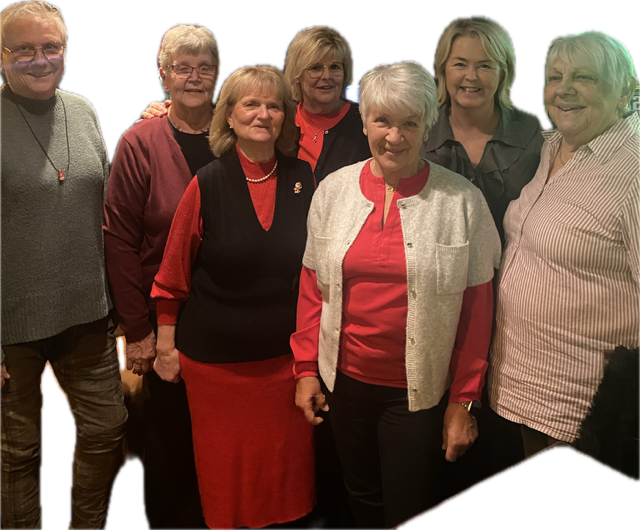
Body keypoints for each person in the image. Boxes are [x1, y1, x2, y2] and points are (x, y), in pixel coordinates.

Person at [292, 61, 501, 530]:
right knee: (360, 499)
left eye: (409, 123)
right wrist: (305, 369)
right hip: (343, 384)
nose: (394, 136)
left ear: (427, 126)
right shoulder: (333, 191)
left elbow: (477, 313)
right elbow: (312, 290)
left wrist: (464, 399)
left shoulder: (462, 202)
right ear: (364, 122)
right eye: (382, 120)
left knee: (410, 507)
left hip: (416, 393)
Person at [150, 64, 316, 530]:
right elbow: (172, 274)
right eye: (251, 104)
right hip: (216, 368)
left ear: (285, 117)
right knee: (227, 482)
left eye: (274, 105)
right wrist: (165, 345)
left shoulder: (304, 178)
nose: (263, 114)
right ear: (228, 115)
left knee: (285, 479)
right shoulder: (207, 181)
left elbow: (317, 272)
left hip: (285, 365)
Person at [0, 1, 127, 529]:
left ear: (67, 53)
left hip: (87, 313)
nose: (39, 59)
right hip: (11, 327)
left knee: (107, 429)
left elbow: (104, 206)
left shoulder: (83, 110)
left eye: (50, 47)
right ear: (2, 55)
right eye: (24, 49)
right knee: (17, 452)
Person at [489, 28, 640, 458]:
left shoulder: (633, 170)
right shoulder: (552, 145)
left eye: (584, 77)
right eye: (555, 77)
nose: (564, 89)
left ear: (625, 90)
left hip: (586, 414)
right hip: (524, 390)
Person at [104, 23, 220, 530]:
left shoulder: (238, 134)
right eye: (182, 67)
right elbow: (119, 241)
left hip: (225, 316)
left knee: (221, 431)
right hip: (163, 319)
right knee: (171, 435)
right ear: (163, 75)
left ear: (218, 73)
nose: (194, 77)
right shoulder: (140, 141)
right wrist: (137, 329)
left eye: (204, 67)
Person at [422, 15, 545, 244]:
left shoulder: (530, 129)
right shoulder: (420, 128)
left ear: (503, 73)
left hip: (515, 263)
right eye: (460, 64)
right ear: (443, 69)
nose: (471, 76)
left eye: (485, 66)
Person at [283, 25, 370, 184]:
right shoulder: (282, 119)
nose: (326, 76)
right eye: (315, 68)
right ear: (297, 74)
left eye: (335, 67)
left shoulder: (365, 122)